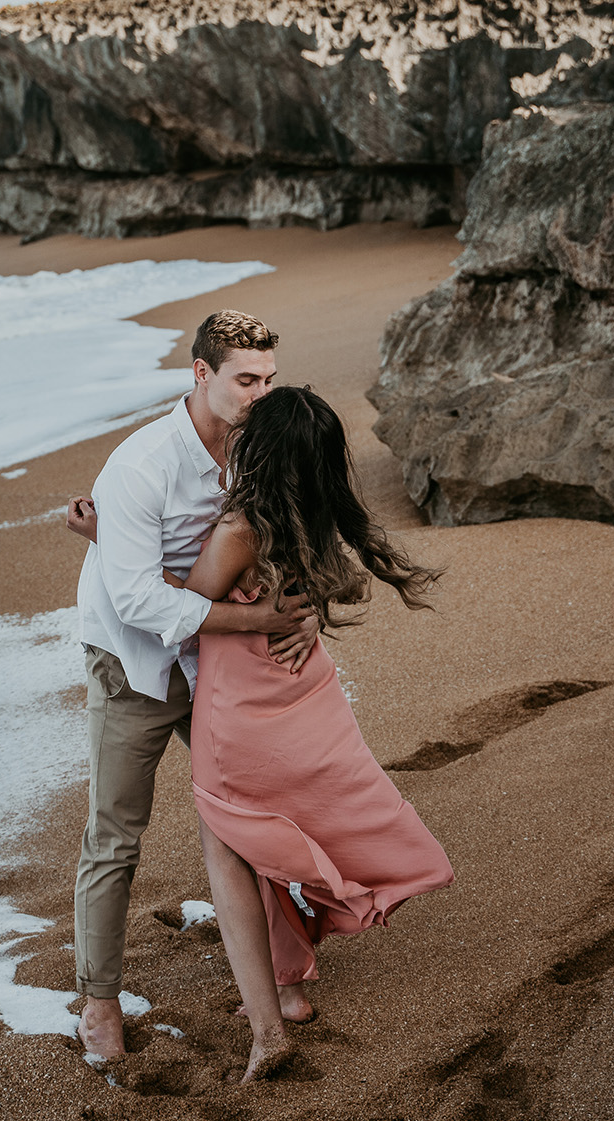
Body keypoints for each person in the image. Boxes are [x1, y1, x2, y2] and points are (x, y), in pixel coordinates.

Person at [179, 385, 454, 1082]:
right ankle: (290, 987)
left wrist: (105, 542)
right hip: (307, 700)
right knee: (265, 833)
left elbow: (179, 604)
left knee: (231, 845)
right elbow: (331, 589)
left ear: (257, 450)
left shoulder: (241, 528)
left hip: (241, 718)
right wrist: (299, 615)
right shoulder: (310, 515)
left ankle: (269, 1027)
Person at [66, 311, 320, 1061]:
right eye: (246, 379)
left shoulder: (262, 446)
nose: (261, 394)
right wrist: (255, 622)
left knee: (254, 818)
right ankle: (100, 1002)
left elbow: (296, 533)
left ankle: (283, 976)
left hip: (219, 670)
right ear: (202, 374)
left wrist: (306, 615)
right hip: (133, 665)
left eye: (270, 379)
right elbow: (139, 600)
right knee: (116, 834)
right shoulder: (142, 464)